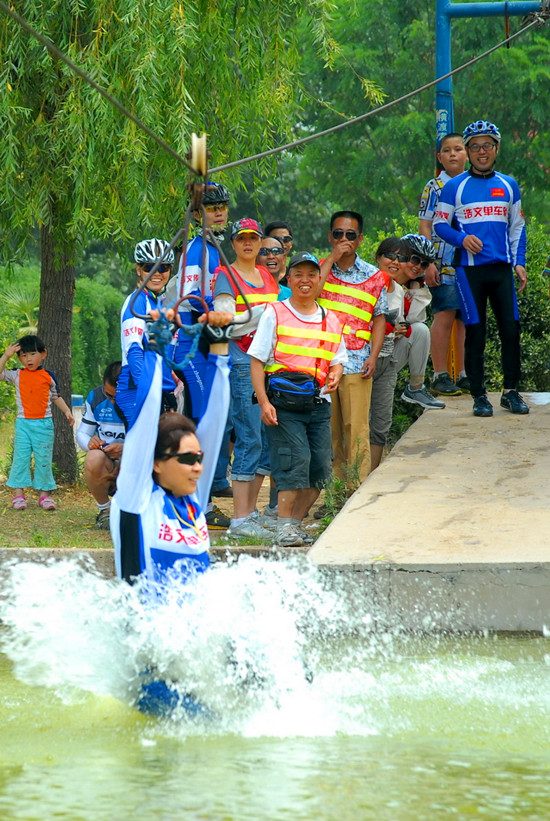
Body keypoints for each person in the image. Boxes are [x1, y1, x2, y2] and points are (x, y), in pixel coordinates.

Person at [111, 310, 232, 586]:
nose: (198, 467)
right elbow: (145, 416)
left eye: (198, 458)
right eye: (188, 458)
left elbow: (215, 423)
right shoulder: (135, 498)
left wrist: (220, 351)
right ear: (155, 462)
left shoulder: (193, 502)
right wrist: (155, 347)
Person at [249, 252, 346, 547]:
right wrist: (264, 403)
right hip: (283, 405)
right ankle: (283, 527)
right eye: (299, 275)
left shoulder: (331, 319)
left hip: (317, 404)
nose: (305, 281)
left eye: (311, 275)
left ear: (320, 279)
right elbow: (256, 361)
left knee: (320, 468)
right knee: (294, 463)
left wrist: (336, 374)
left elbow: (338, 359)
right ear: (288, 280)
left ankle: (295, 524)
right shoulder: (274, 312)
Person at [433, 120, 529, 418]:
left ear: (496, 148)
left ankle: (510, 392)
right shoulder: (454, 186)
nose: (481, 151)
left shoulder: (508, 184)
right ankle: (479, 395)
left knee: (511, 331)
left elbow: (517, 228)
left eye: (487, 145)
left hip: (501, 271)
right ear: (468, 152)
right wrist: (462, 238)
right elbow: (438, 225)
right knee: (476, 333)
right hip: (468, 271)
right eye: (475, 146)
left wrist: (520, 262)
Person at [167, 181, 233, 521]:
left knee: (213, 420)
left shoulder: (220, 247)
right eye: (210, 207)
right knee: (202, 423)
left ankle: (197, 498)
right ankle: (198, 505)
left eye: (222, 205)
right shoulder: (197, 249)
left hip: (214, 343)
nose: (219, 211)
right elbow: (189, 299)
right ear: (196, 214)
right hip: (196, 344)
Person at [213, 218, 279, 539]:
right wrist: (259, 315)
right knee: (249, 437)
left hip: (266, 364)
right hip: (240, 363)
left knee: (264, 441)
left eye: (253, 238)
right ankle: (240, 520)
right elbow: (223, 322)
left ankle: (249, 514)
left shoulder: (266, 275)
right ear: (234, 244)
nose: (248, 244)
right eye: (242, 239)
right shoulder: (226, 276)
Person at [318, 210, 388, 482]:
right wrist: (332, 259)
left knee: (356, 428)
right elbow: (310, 295)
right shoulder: (318, 269)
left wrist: (374, 355)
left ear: (360, 240)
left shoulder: (374, 276)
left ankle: (356, 491)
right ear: (330, 237)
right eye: (338, 234)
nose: (343, 239)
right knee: (330, 431)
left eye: (349, 235)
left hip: (358, 361)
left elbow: (379, 318)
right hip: (322, 363)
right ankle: (334, 494)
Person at [419, 132, 469, 396]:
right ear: (439, 157)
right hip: (442, 260)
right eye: (447, 150)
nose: (453, 154)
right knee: (445, 313)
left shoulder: (474, 184)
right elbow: (425, 224)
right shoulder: (434, 187)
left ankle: (463, 374)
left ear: (467, 153)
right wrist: (428, 261)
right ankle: (439, 374)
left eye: (458, 149)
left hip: (470, 261)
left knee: (465, 317)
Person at [0, 335, 74, 510]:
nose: (28, 359)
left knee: (43, 459)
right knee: (20, 459)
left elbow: (56, 397)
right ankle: (19, 496)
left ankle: (44, 496)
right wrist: (6, 356)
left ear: (43, 354)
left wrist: (67, 411)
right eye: (24, 356)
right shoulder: (16, 374)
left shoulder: (48, 377)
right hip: (23, 425)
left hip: (44, 425)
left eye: (32, 354)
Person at [116, 238, 177, 429]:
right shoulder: (137, 301)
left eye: (163, 267)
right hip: (137, 388)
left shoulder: (160, 302)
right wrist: (149, 393)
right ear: (138, 269)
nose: (156, 273)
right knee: (143, 454)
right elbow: (133, 349)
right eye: (149, 267)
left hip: (159, 387)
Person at [393, 234, 446, 411]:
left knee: (421, 330)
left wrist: (415, 288)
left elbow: (415, 321)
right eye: (415, 259)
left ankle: (415, 388)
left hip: (388, 354)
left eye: (423, 264)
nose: (417, 267)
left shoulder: (412, 286)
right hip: (368, 354)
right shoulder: (381, 280)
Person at [76, 361, 125, 529]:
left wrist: (125, 449)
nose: (112, 402)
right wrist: (90, 443)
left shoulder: (142, 397)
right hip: (109, 465)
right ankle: (105, 511)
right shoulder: (96, 397)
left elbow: (157, 442)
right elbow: (82, 433)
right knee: (93, 456)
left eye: (118, 397)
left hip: (136, 465)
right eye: (108, 395)